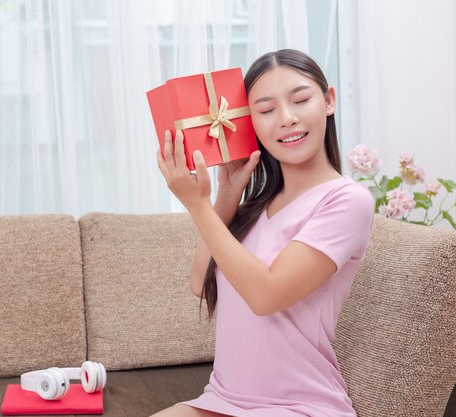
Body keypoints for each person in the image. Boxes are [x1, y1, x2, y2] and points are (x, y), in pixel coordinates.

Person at [153, 49, 374, 417]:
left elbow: (266, 295)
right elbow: (198, 281)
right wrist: (226, 195)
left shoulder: (347, 200)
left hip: (301, 405)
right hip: (223, 399)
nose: (286, 119)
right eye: (266, 110)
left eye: (301, 100)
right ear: (249, 122)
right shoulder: (258, 205)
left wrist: (197, 205)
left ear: (329, 100)